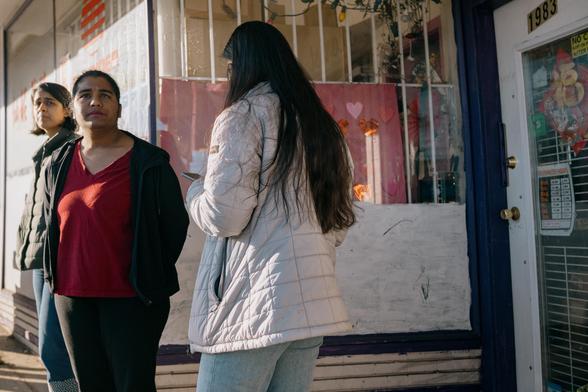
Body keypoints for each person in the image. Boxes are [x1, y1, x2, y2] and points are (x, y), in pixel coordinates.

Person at [186, 21, 355, 392]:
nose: (228, 76)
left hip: (252, 305)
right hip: (313, 302)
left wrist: (196, 192)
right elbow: (340, 218)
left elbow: (224, 216)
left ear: (242, 65)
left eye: (229, 67)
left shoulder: (242, 115)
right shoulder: (323, 126)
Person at [42, 70, 189, 392]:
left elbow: (174, 226)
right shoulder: (57, 162)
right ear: (73, 107)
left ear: (119, 108)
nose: (95, 101)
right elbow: (52, 225)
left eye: (105, 95)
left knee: (132, 385)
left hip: (131, 299)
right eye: (85, 95)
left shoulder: (149, 161)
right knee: (91, 385)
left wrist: (149, 273)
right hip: (72, 298)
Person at [15, 82, 78, 391]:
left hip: (59, 260)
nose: (41, 108)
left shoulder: (70, 148)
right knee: (51, 344)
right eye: (37, 103)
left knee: (53, 348)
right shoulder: (46, 151)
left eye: (49, 102)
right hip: (43, 260)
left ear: (66, 110)